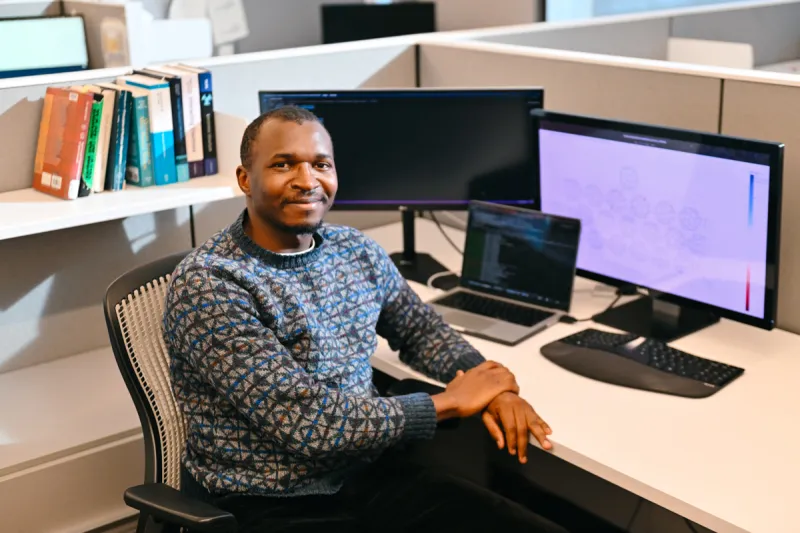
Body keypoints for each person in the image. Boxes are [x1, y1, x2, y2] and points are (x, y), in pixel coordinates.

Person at [163, 105, 568, 533]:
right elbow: (309, 422)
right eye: (283, 165)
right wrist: (449, 402)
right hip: (268, 499)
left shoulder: (354, 249)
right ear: (246, 179)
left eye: (321, 164)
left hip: (368, 475)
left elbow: (420, 330)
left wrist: (491, 385)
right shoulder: (210, 282)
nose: (307, 180)